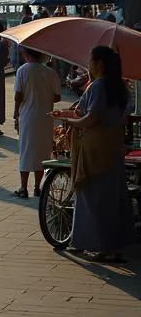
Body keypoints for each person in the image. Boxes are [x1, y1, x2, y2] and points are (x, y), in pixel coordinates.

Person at [56, 46, 134, 262]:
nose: (87, 64)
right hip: (113, 147)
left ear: (99, 63)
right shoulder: (119, 86)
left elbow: (91, 118)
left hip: (95, 148)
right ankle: (111, 246)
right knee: (112, 198)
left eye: (90, 60)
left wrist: (69, 121)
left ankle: (98, 246)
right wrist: (67, 114)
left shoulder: (98, 86)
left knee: (92, 198)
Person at [12, 48, 62, 198]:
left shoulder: (23, 70)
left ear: (26, 54)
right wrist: (44, 97)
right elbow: (57, 97)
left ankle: (23, 187)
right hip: (46, 116)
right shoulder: (50, 72)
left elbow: (18, 95)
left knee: (26, 150)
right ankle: (37, 187)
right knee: (42, 151)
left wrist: (16, 112)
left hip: (27, 116)